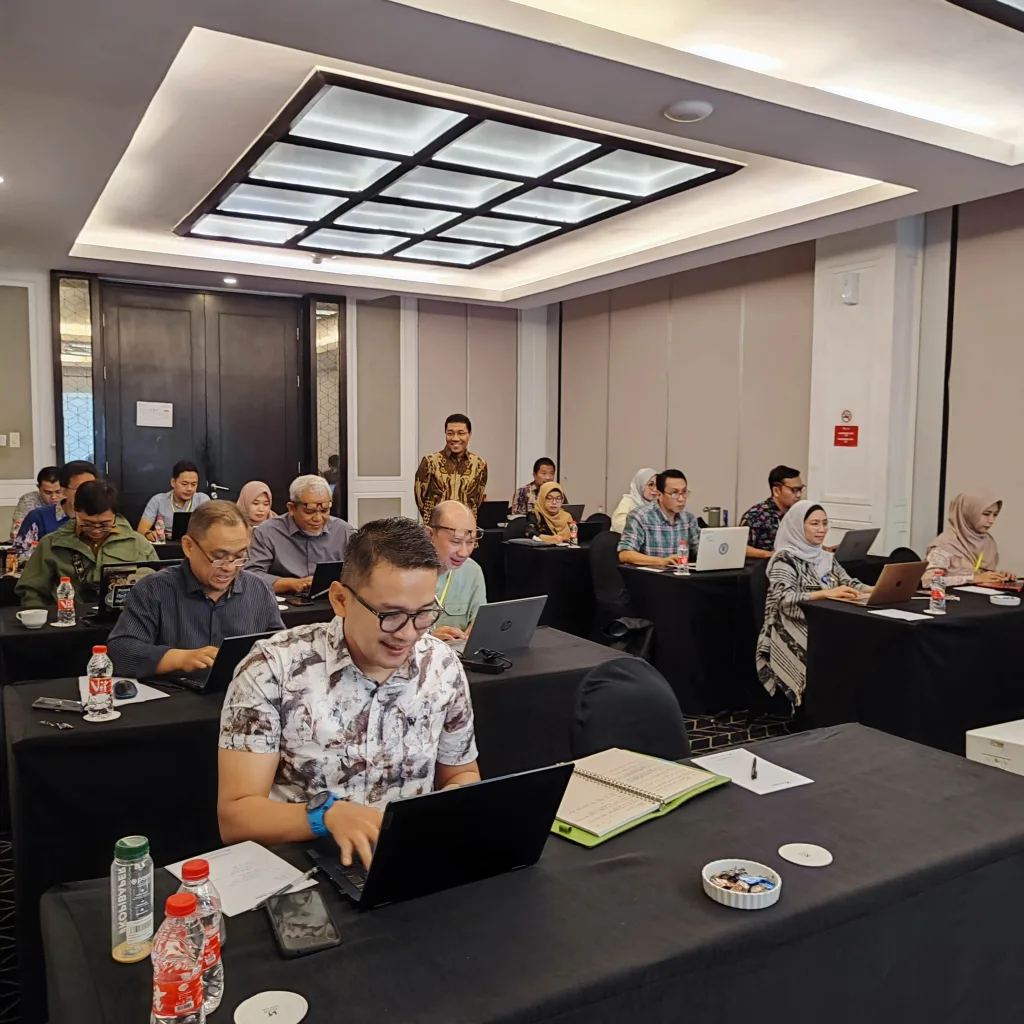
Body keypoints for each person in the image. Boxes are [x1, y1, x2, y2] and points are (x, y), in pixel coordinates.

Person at [217, 517, 481, 869]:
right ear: (340, 600)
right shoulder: (273, 667)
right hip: (302, 867)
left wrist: (447, 808)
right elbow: (235, 817)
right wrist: (324, 817)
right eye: (390, 615)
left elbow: (462, 774)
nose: (407, 634)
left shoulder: (442, 666)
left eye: (423, 614)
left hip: (405, 860)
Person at [107, 501, 284, 678]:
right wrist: (180, 659)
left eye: (240, 556)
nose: (229, 568)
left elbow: (283, 650)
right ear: (188, 546)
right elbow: (119, 652)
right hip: (173, 693)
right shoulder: (153, 590)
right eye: (218, 557)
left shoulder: (259, 590)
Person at [756, 501, 872, 707]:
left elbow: (850, 583)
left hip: (826, 621)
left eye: (825, 523)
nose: (822, 529)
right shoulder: (785, 559)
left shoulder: (825, 557)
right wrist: (825, 593)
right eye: (814, 524)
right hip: (792, 624)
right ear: (798, 527)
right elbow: (783, 599)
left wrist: (877, 589)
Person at [16, 481, 157, 607]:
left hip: (123, 620)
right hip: (66, 620)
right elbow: (31, 591)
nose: (96, 530)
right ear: (75, 511)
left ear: (115, 514)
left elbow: (157, 586)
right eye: (87, 523)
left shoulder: (138, 543)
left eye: (104, 524)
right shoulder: (51, 543)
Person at [247, 474, 354, 595]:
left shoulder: (343, 531)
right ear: (292, 508)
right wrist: (292, 584)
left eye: (324, 511)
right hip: (284, 601)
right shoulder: (268, 532)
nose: (318, 518)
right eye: (309, 512)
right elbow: (252, 575)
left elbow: (361, 572)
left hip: (332, 600)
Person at [922, 492, 1015, 588]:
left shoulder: (988, 541)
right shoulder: (945, 544)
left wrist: (999, 576)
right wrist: (972, 579)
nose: (991, 520)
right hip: (951, 596)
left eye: (995, 514)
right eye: (986, 514)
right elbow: (929, 581)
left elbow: (982, 575)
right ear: (968, 513)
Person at [426, 500, 487, 641]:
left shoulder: (472, 571)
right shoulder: (404, 573)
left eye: (470, 542)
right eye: (455, 542)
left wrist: (478, 629)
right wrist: (426, 637)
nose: (464, 553)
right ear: (430, 535)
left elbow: (479, 619)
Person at [618, 469, 701, 567]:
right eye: (674, 493)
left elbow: (699, 550)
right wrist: (661, 561)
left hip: (680, 574)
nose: (681, 499)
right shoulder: (640, 516)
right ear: (660, 495)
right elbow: (625, 554)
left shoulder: (688, 518)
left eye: (684, 492)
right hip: (650, 574)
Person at [414, 414, 488, 523]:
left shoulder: (479, 464)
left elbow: (477, 500)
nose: (455, 438)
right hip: (436, 525)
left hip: (466, 525)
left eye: (461, 433)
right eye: (450, 433)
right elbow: (420, 499)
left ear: (470, 435)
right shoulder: (430, 461)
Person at [16, 460, 98, 542]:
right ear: (63, 490)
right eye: (79, 488)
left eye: (92, 487)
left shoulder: (103, 516)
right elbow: (21, 548)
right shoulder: (38, 517)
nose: (87, 493)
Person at [740, 465, 805, 559]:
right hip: (763, 565)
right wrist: (770, 554)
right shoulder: (756, 515)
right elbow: (740, 547)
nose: (799, 495)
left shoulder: (798, 514)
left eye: (800, 489)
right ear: (776, 491)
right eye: (794, 490)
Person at [138, 460, 210, 540]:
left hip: (194, 543)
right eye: (184, 484)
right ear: (173, 482)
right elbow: (141, 531)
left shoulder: (203, 500)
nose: (189, 489)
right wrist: (149, 534)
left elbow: (210, 530)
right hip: (166, 544)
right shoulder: (158, 500)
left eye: (193, 484)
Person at [10, 467, 62, 538]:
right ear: (38, 487)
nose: (53, 497)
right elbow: (16, 532)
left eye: (58, 492)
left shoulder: (71, 499)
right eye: (47, 492)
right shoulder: (28, 500)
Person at [611, 467, 658, 533]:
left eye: (657, 485)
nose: (655, 489)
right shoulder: (628, 501)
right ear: (640, 485)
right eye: (651, 485)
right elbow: (619, 526)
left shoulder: (657, 504)